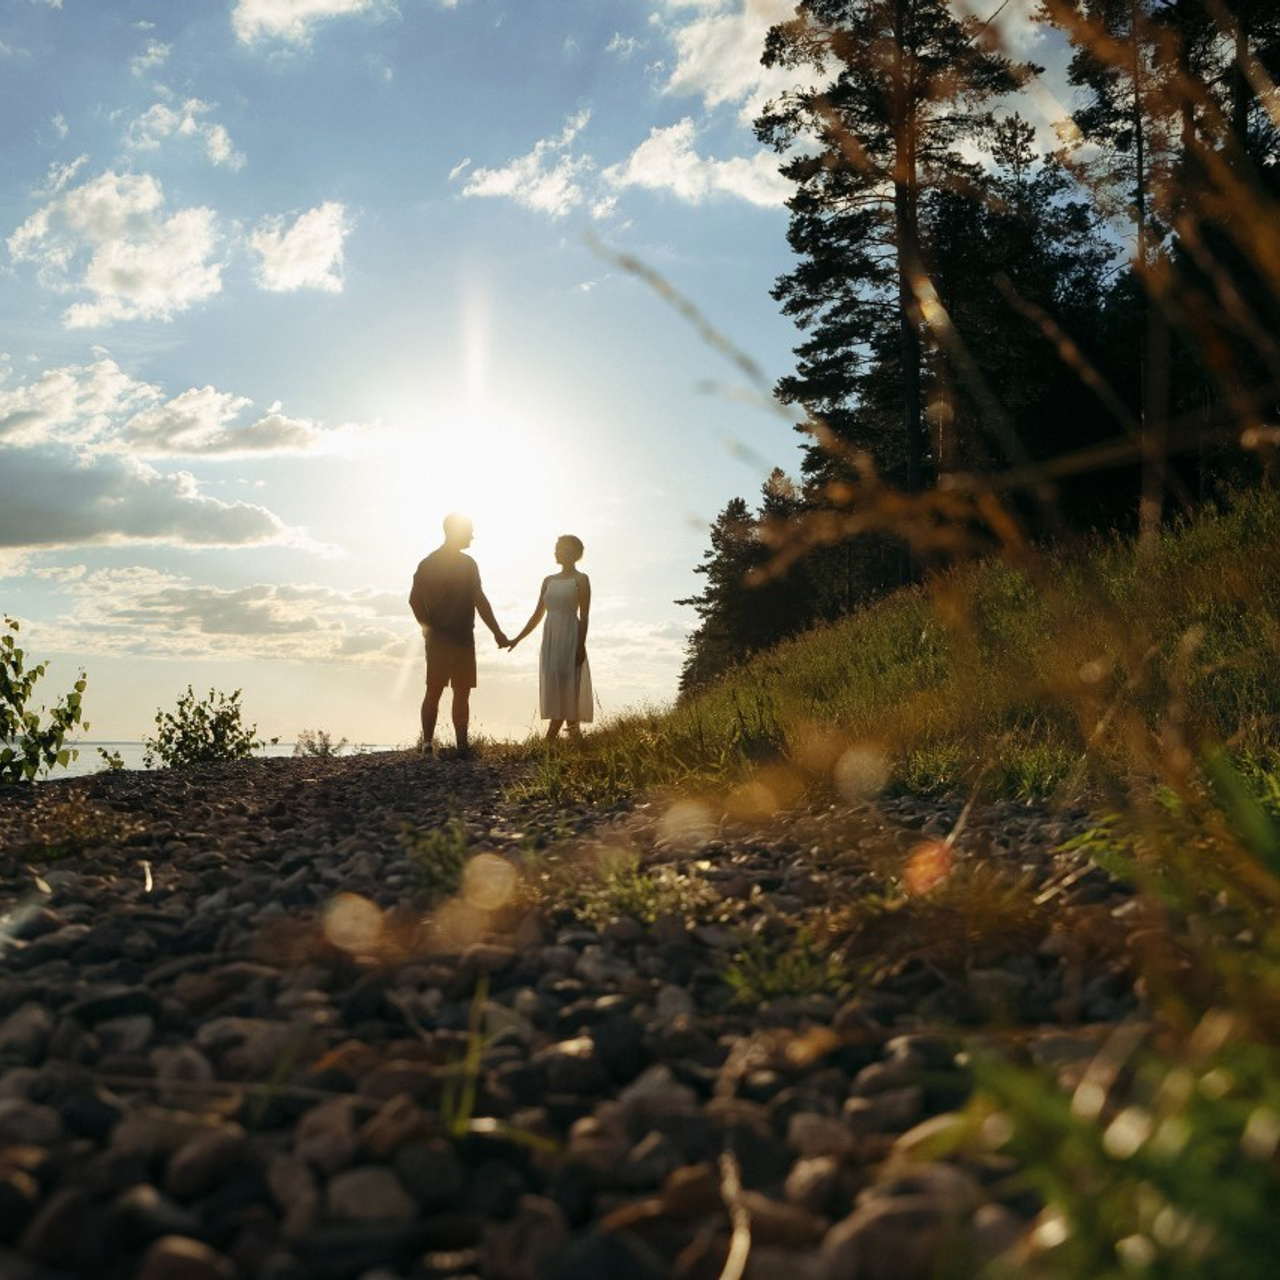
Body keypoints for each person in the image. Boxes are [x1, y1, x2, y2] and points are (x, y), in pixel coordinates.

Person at [409, 513, 509, 759]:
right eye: (469, 531)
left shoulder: (433, 562)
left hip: (456, 636)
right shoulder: (444, 563)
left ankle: (435, 744)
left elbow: (414, 600)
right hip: (451, 636)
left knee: (442, 690)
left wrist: (426, 628)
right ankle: (450, 744)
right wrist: (427, 628)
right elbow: (479, 599)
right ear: (455, 531)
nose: (472, 536)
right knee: (450, 691)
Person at [508, 534, 593, 740]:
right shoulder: (548, 580)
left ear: (575, 553)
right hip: (550, 637)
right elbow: (538, 614)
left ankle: (551, 738)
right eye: (557, 547)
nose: (557, 551)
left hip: (570, 635)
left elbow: (584, 615)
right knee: (555, 683)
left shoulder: (581, 579)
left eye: (562, 547)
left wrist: (580, 645)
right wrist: (517, 639)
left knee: (567, 682)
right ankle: (575, 738)